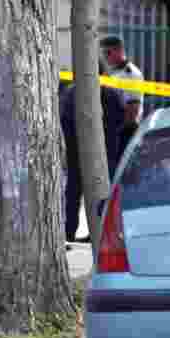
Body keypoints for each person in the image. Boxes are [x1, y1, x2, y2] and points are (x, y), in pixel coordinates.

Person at [59, 75, 126, 244]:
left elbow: (64, 122)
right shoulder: (112, 94)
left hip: (78, 154)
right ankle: (102, 233)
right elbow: (121, 120)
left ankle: (68, 232)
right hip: (104, 153)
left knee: (74, 194)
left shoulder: (71, 94)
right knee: (102, 194)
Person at [100, 35, 144, 152]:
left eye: (108, 53)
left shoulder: (131, 74)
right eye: (103, 53)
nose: (105, 57)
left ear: (119, 51)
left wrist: (116, 132)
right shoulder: (113, 72)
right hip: (113, 129)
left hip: (125, 132)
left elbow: (133, 110)